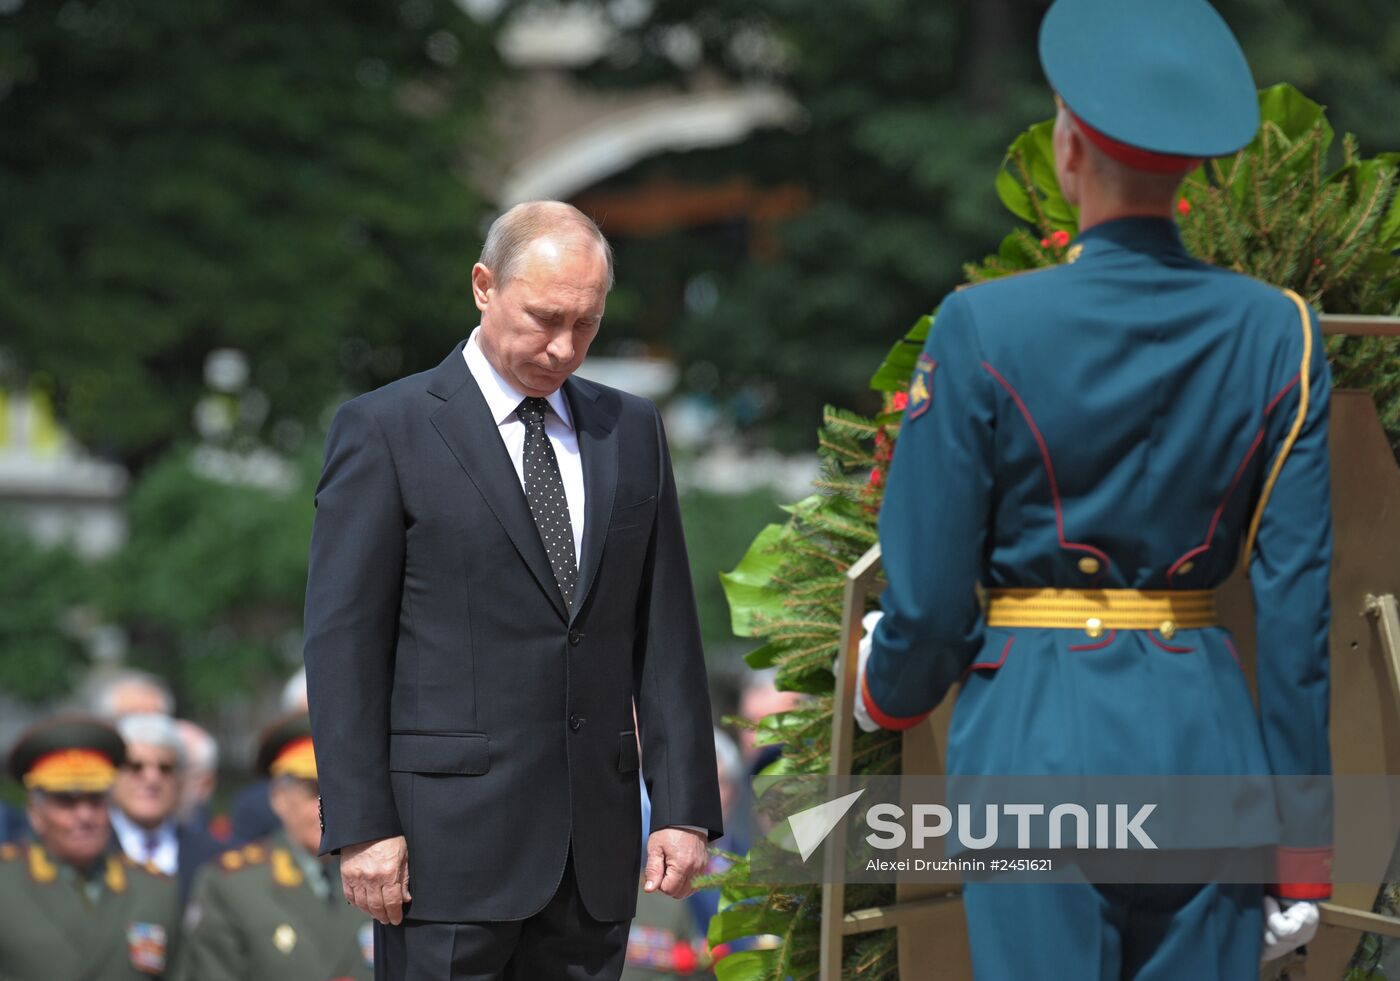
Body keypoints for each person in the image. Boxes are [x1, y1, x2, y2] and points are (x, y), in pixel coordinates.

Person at [855, 0, 1332, 975]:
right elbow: (1294, 621)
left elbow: (935, 599)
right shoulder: (1278, 332)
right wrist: (1301, 855)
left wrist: (885, 690)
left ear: (1067, 148)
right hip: (1207, 747)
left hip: (1037, 740)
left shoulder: (982, 325)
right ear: (1192, 168)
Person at [303, 200, 723, 979]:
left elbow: (664, 633)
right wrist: (361, 825)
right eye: (544, 317)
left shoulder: (629, 429)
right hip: (442, 852)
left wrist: (684, 807)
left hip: (593, 854)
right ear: (483, 287)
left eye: (587, 324)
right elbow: (342, 644)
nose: (563, 347)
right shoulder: (385, 428)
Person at [173, 713, 374, 981]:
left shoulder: (376, 874)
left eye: (339, 789)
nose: (329, 807)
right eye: (314, 791)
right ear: (279, 799)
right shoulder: (233, 884)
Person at [0, 715, 182, 979]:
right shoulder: (7, 882)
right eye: (66, 801)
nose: (85, 816)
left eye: (95, 799)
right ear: (35, 812)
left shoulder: (154, 889)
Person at [110, 713, 221, 899]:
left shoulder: (214, 858)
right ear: (113, 775)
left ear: (181, 780)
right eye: (136, 767)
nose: (152, 779)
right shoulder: (86, 851)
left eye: (165, 769)